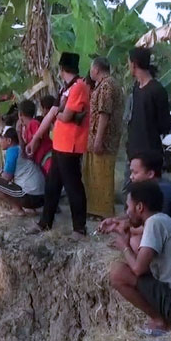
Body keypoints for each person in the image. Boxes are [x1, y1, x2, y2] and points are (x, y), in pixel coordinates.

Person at [108, 180, 171, 336]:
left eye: (128, 207)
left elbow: (139, 269)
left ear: (140, 207)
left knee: (118, 273)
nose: (126, 212)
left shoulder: (154, 223)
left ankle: (160, 322)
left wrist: (124, 246)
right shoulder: (161, 220)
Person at [26, 52, 90, 239]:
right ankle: (45, 222)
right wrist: (36, 138)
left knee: (73, 187)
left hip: (71, 146)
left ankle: (79, 228)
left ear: (62, 69)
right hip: (60, 145)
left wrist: (61, 113)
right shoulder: (65, 89)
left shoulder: (78, 87)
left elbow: (65, 116)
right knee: (52, 186)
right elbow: (54, 113)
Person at [99, 151, 171, 245]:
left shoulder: (161, 192)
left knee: (136, 242)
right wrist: (116, 220)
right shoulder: (156, 187)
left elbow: (153, 230)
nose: (131, 177)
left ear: (150, 174)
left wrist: (121, 227)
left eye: (135, 172)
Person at [124, 47, 171, 190]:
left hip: (149, 154)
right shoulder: (136, 88)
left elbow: (165, 124)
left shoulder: (156, 90)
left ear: (134, 64)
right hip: (134, 151)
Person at [84, 57, 124, 218]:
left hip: (104, 139)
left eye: (91, 69)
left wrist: (99, 139)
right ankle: (95, 210)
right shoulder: (103, 85)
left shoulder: (107, 86)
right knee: (95, 175)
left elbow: (104, 114)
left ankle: (103, 211)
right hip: (98, 137)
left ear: (96, 70)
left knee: (102, 176)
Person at [0, 126, 45, 216]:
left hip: (31, 196)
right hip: (41, 196)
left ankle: (17, 210)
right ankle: (30, 209)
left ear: (9, 141)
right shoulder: (19, 149)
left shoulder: (12, 151)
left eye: (1, 138)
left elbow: (6, 178)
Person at [18, 99, 52, 176]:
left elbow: (37, 140)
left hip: (48, 158)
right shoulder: (26, 129)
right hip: (42, 161)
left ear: (20, 114)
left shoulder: (34, 123)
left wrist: (31, 152)